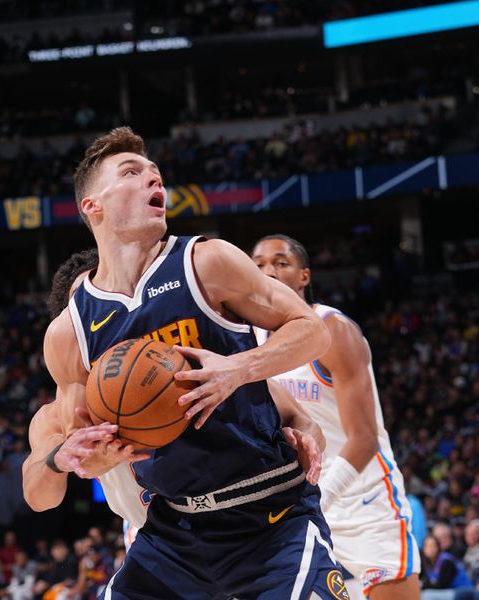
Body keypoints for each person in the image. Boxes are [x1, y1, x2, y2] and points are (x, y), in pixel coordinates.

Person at [24, 127, 339, 599]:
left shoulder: (205, 262)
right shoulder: (69, 334)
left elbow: (312, 329)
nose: (155, 181)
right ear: (94, 206)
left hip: (267, 514)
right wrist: (76, 459)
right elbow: (58, 464)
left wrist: (240, 368)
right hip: (173, 532)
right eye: (132, 172)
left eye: (156, 174)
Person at [29, 249, 324, 543]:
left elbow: (302, 420)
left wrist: (304, 439)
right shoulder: (57, 417)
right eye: (87, 303)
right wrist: (59, 461)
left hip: (241, 524)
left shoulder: (181, 378)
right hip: (156, 539)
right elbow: (38, 497)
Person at [251, 234, 421, 599]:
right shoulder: (247, 341)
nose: (270, 271)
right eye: (260, 264)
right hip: (295, 497)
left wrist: (320, 497)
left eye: (282, 263)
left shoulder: (334, 330)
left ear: (304, 277)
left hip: (361, 495)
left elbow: (364, 438)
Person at [420, 535, 473, 600]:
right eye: (427, 546)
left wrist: (424, 584)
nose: (430, 549)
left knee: (426, 595)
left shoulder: (446, 561)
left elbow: (442, 586)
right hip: (451, 592)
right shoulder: (429, 563)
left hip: (462, 591)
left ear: (438, 547)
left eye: (432, 546)